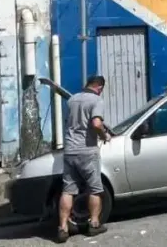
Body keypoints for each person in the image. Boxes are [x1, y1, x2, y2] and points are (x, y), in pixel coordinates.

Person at [56, 75, 110, 243]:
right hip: (87, 151)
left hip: (70, 150)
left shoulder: (72, 100)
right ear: (99, 87)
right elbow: (96, 124)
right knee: (95, 188)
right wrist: (104, 136)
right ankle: (94, 224)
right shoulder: (96, 100)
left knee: (68, 190)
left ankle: (63, 228)